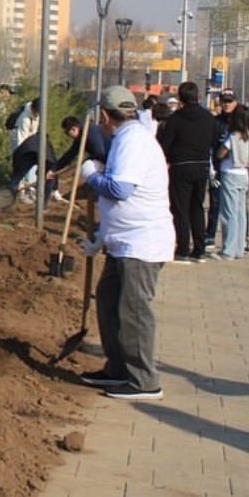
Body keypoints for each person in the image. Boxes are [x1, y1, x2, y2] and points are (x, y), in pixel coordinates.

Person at [78, 85, 173, 400]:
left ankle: (144, 380)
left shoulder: (133, 141)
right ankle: (119, 369)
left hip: (141, 243)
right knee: (107, 300)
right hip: (123, 242)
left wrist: (91, 175)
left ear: (105, 115)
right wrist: (100, 238)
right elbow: (117, 203)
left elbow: (120, 191)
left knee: (133, 310)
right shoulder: (125, 139)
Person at [158, 81, 215, 263]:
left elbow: (164, 144)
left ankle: (183, 249)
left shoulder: (176, 119)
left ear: (181, 98)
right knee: (197, 207)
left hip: (181, 166)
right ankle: (199, 249)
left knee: (181, 209)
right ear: (197, 96)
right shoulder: (208, 117)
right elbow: (213, 140)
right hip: (202, 165)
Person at [214, 108, 249, 260]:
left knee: (229, 213)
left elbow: (221, 152)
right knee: (241, 213)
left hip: (230, 173)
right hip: (243, 175)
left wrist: (219, 152)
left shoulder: (233, 136)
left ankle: (228, 249)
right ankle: (239, 248)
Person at [205, 88, 239, 251]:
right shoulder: (215, 122)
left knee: (237, 206)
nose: (227, 104)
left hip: (236, 169)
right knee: (215, 203)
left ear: (235, 103)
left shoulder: (239, 121)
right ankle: (210, 235)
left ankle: (241, 238)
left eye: (230, 101)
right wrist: (211, 168)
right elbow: (210, 146)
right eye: (224, 101)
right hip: (218, 168)